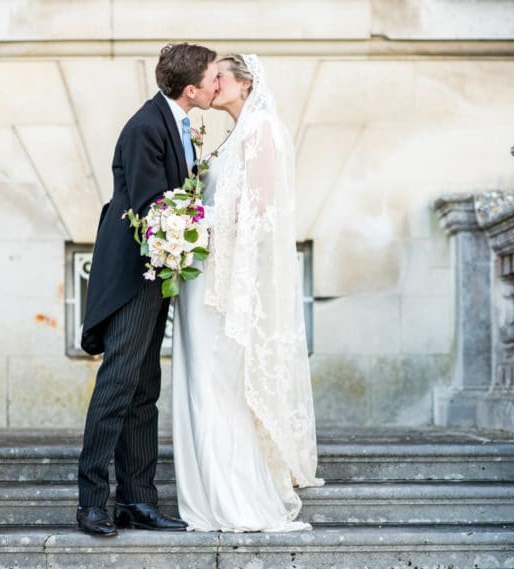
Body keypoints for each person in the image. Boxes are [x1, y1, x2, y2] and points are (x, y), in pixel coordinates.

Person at [171, 53, 323, 532]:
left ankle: (236, 499)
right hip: (205, 277)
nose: (209, 83)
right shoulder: (231, 135)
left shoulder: (264, 130)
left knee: (221, 386)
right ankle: (208, 494)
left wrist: (193, 222)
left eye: (218, 76)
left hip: (227, 283)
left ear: (244, 82)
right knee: (202, 383)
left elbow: (259, 213)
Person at [75, 43, 218, 538]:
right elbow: (153, 206)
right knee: (118, 383)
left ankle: (138, 500)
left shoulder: (178, 124)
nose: (216, 84)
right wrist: (206, 227)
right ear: (191, 88)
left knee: (143, 391)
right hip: (133, 274)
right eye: (211, 77)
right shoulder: (144, 126)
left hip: (157, 272)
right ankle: (92, 501)